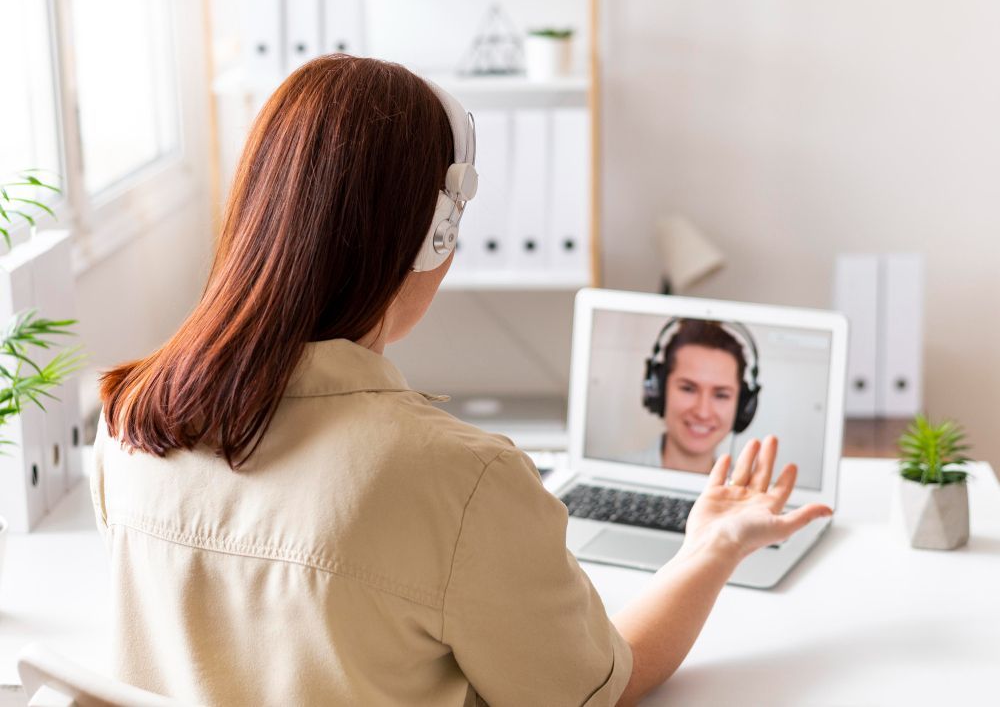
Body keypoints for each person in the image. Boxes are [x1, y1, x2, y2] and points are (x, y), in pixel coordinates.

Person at [92, 55, 832, 706]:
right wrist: (712, 547)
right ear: (433, 236)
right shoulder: (461, 481)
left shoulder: (128, 420)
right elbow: (594, 687)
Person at [635, 319, 758, 474]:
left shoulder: (750, 496)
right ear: (659, 391)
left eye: (721, 395)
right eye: (688, 389)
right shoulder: (610, 475)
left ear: (742, 405)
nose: (702, 412)